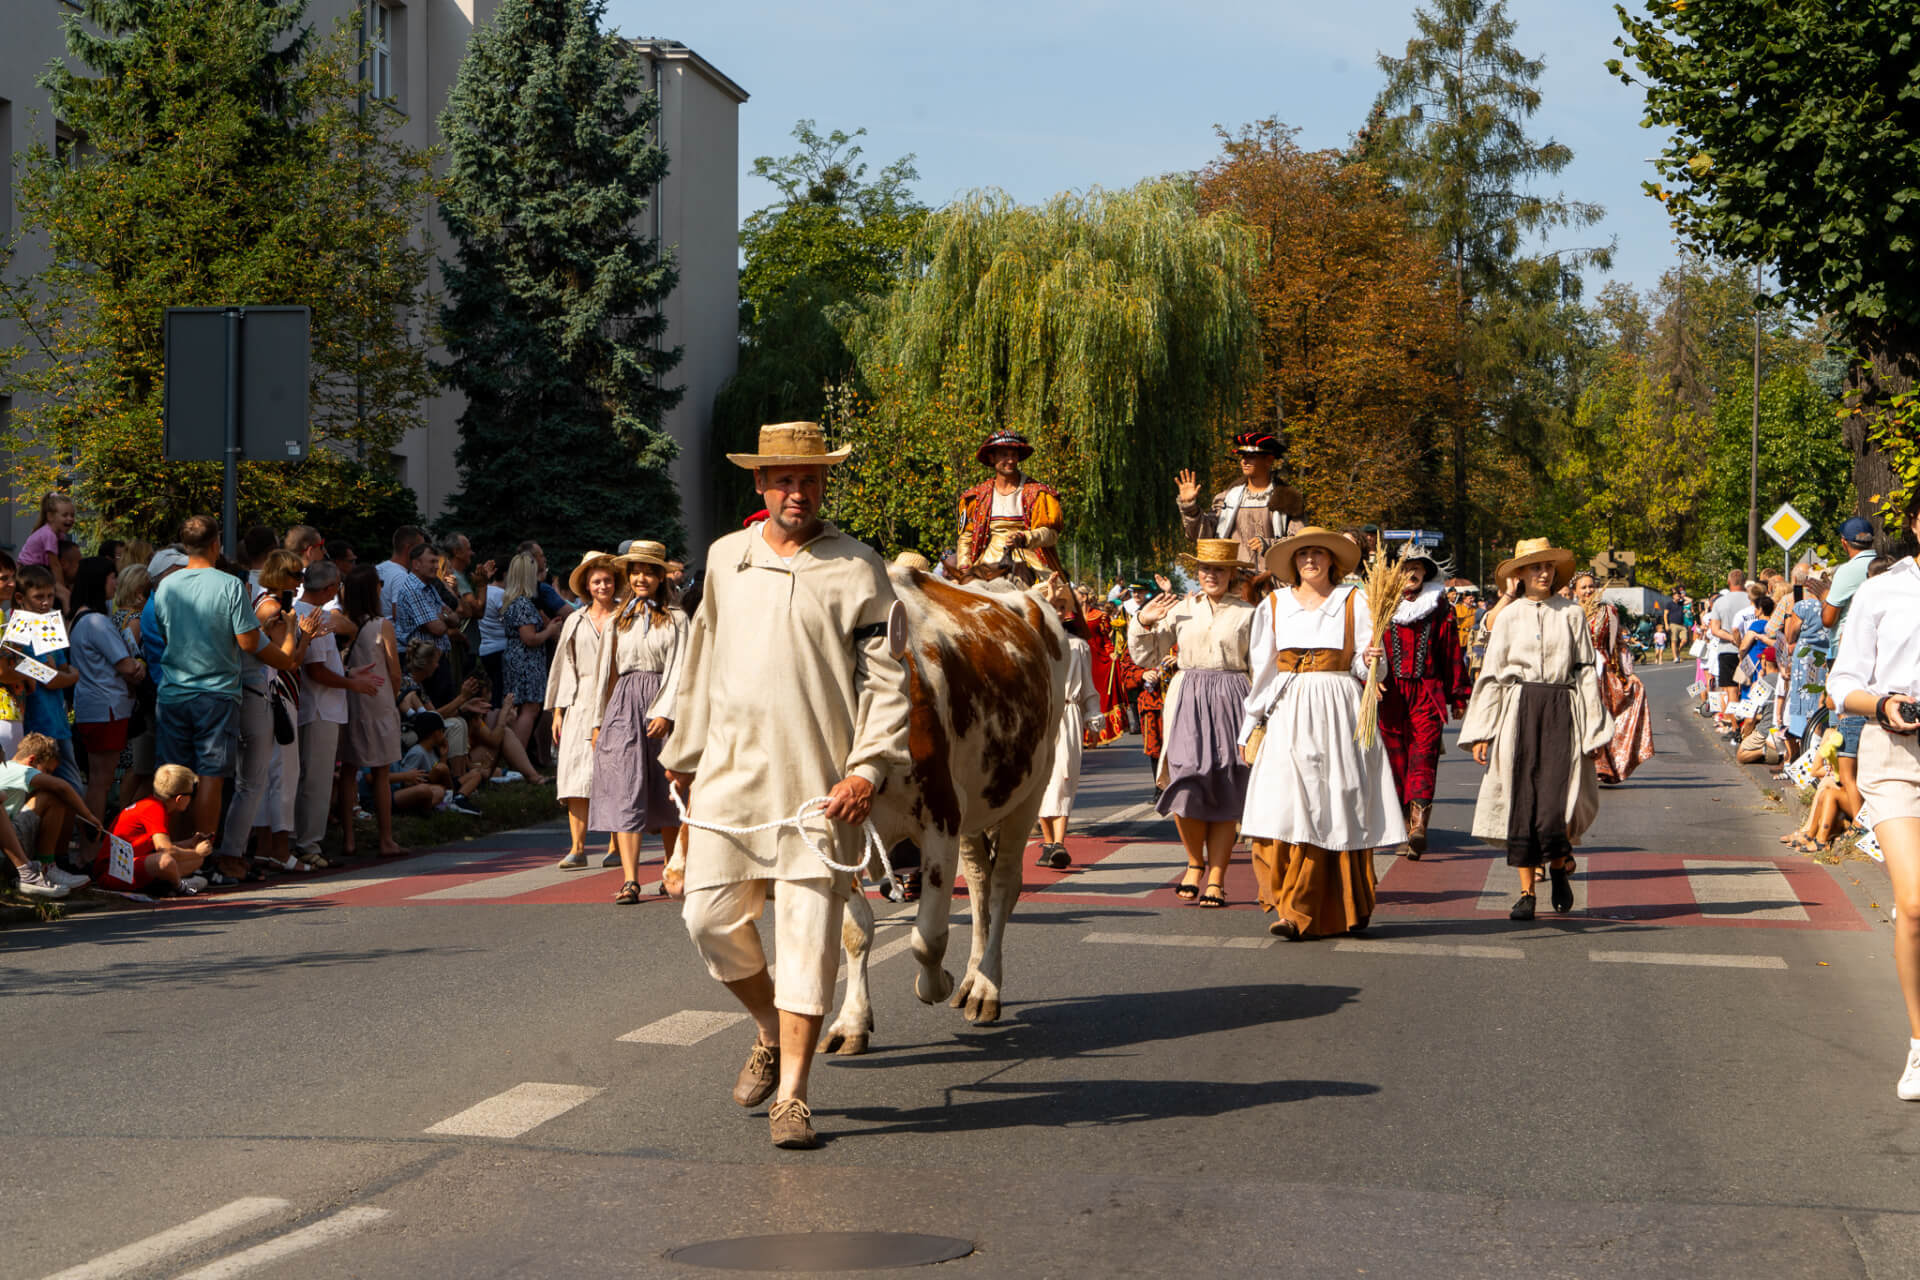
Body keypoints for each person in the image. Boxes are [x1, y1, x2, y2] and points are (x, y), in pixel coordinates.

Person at [661, 421, 911, 1150]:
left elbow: (888, 683)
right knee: (706, 919)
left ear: (824, 484)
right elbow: (702, 656)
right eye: (782, 478)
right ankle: (768, 1024)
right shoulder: (723, 558)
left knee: (808, 939)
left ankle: (794, 1097)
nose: (794, 490)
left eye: (807, 478)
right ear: (760, 484)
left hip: (817, 782)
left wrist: (867, 769)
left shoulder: (859, 568)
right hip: (731, 775)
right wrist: (685, 746)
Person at [1239, 528, 1402, 939]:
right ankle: (1290, 906)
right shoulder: (1273, 605)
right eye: (1303, 553)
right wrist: (1248, 727)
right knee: (1284, 802)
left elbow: (1369, 670)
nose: (1310, 559)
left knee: (1336, 801)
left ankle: (1332, 906)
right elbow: (1263, 673)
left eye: (1318, 553)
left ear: (1332, 560)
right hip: (1290, 709)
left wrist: (1373, 660)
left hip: (1339, 707)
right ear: (1293, 562)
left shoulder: (1356, 601)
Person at [1458, 540, 1614, 922]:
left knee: (1555, 804)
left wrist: (1594, 730)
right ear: (1520, 575)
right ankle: (1526, 892)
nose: (1542, 573)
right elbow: (1493, 675)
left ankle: (1559, 868)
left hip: (1564, 707)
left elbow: (1585, 672)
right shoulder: (1508, 618)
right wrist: (1482, 730)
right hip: (1519, 708)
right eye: (1534, 567)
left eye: (1547, 566)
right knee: (1521, 801)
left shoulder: (1572, 614)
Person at [1826, 491, 1920, 1100]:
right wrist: (1883, 704)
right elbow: (1842, 681)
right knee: (1914, 902)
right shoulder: (1884, 591)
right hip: (1898, 752)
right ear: (1915, 522)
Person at [150, 516, 301, 880]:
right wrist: (285, 650)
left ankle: (177, 856)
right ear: (217, 543)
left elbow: (167, 634)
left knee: (174, 779)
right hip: (216, 692)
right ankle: (203, 857)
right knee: (211, 777)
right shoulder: (230, 585)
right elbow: (249, 643)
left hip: (173, 691)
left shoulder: (166, 586)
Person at [1128, 539, 1256, 902]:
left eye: (1218, 569)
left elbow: (1262, 667)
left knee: (1226, 782)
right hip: (1188, 695)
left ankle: (1216, 876)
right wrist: (1142, 620)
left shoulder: (1249, 613)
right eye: (1204, 569)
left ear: (1232, 573)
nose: (1210, 575)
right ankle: (1193, 862)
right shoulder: (1181, 608)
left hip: (1234, 695)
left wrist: (1261, 715)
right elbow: (1145, 655)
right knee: (1185, 777)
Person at [587, 541, 687, 903]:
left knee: (667, 789)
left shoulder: (677, 619)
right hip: (625, 702)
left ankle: (671, 869)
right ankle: (630, 879)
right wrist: (598, 720)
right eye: (635, 571)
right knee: (625, 784)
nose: (641, 577)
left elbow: (680, 667)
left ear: (660, 576)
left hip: (661, 702)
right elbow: (604, 672)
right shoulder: (618, 619)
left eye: (648, 571)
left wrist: (667, 710)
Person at [217, 548, 320, 876]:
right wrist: (299, 634)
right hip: (265, 694)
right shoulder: (272, 609)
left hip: (262, 693)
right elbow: (285, 659)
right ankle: (266, 849)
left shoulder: (262, 605)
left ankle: (255, 849)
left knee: (262, 778)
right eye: (296, 575)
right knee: (272, 778)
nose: (301, 581)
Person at [1378, 553, 1471, 856]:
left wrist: (1458, 694)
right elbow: (1364, 647)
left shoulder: (1439, 606)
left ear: (1425, 573)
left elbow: (1450, 650)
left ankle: (1419, 827)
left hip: (1426, 693)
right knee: (1395, 763)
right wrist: (1366, 682)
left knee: (1424, 756)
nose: (1411, 573)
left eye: (1416, 568)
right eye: (1406, 568)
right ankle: (1404, 825)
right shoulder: (1380, 603)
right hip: (1389, 695)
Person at [293, 561, 379, 866]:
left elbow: (323, 666)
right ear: (330, 588)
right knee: (315, 779)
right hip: (319, 707)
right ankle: (307, 844)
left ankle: (302, 840)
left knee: (309, 777)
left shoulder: (305, 611)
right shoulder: (310, 614)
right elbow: (316, 670)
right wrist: (351, 682)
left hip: (319, 706)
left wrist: (347, 672)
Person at [549, 550, 622, 871]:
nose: (603, 586)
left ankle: (615, 844)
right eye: (596, 581)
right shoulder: (574, 620)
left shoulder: (626, 616)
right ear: (587, 586)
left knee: (615, 774)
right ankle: (577, 847)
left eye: (607, 580)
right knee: (576, 774)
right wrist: (558, 710)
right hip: (579, 702)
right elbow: (565, 666)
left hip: (617, 700)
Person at [1035, 574, 1107, 868]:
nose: (1058, 611)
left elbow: (1088, 686)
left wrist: (1093, 716)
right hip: (1039, 716)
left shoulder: (1079, 646)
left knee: (1064, 776)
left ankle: (1059, 842)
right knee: (1039, 779)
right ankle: (1048, 841)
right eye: (1053, 605)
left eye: (1063, 606)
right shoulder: (1033, 643)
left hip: (1068, 715)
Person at [68, 555, 144, 826]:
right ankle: (92, 846)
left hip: (92, 706)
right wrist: (139, 666)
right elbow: (127, 666)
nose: (116, 583)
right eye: (113, 577)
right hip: (107, 708)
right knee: (101, 782)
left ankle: (90, 847)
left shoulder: (78, 618)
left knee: (97, 780)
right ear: (100, 580)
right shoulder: (97, 622)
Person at [337, 565, 406, 857]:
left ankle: (348, 838)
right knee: (381, 771)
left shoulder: (341, 623)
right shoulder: (382, 625)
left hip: (350, 699)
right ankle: (386, 838)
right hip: (378, 700)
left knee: (349, 770)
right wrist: (395, 698)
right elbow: (395, 671)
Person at [1174, 431, 1304, 569]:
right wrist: (1189, 507)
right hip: (1233, 582)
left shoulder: (1289, 499)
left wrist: (1269, 544)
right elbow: (1205, 537)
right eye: (1242, 456)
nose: (1244, 461)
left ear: (1269, 460)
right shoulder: (1226, 499)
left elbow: (1300, 542)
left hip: (1273, 582)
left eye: (1251, 456)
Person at [954, 429, 1065, 585]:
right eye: (1004, 455)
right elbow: (966, 537)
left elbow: (1051, 535)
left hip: (1028, 560)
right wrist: (965, 567)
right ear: (992, 458)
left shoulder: (1038, 493)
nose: (1010, 460)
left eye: (1013, 455)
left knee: (1058, 595)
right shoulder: (976, 497)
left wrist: (1024, 537)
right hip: (986, 562)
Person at [1574, 571, 1655, 785]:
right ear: (1575, 591)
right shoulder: (1570, 612)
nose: (1588, 591)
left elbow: (1619, 643)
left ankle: (1605, 764)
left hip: (1603, 672)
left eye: (1591, 586)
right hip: (1576, 672)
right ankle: (1579, 766)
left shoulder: (1608, 612)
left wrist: (1630, 673)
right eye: (1583, 587)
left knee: (1603, 717)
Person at [0, 732, 104, 890]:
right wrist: (89, 816)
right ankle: (47, 867)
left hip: (10, 849)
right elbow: (61, 786)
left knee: (65, 800)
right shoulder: (18, 770)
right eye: (47, 771)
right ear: (32, 760)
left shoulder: (9, 771)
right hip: (7, 851)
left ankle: (57, 863)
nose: (48, 776)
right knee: (53, 795)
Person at [96, 764, 209, 894]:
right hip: (114, 873)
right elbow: (166, 850)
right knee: (166, 861)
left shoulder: (154, 804)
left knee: (195, 860)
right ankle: (180, 887)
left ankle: (160, 884)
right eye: (192, 794)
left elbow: (156, 847)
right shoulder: (155, 809)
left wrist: (189, 844)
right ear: (180, 798)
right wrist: (197, 852)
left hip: (122, 867)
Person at [500, 552, 561, 751]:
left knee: (521, 708)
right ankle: (518, 757)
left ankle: (517, 757)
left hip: (518, 658)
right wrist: (550, 631)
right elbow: (530, 638)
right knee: (530, 708)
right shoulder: (523, 603)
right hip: (526, 660)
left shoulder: (515, 601)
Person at [18, 491, 77, 608]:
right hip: (29, 571)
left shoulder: (58, 534)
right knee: (65, 595)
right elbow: (55, 565)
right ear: (50, 516)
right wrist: (61, 585)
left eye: (72, 515)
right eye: (65, 515)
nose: (70, 519)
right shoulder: (48, 534)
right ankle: (68, 620)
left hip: (39, 570)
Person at [376, 525, 427, 619]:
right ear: (409, 549)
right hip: (393, 632)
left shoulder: (377, 569)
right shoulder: (401, 577)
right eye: (421, 549)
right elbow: (401, 617)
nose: (424, 553)